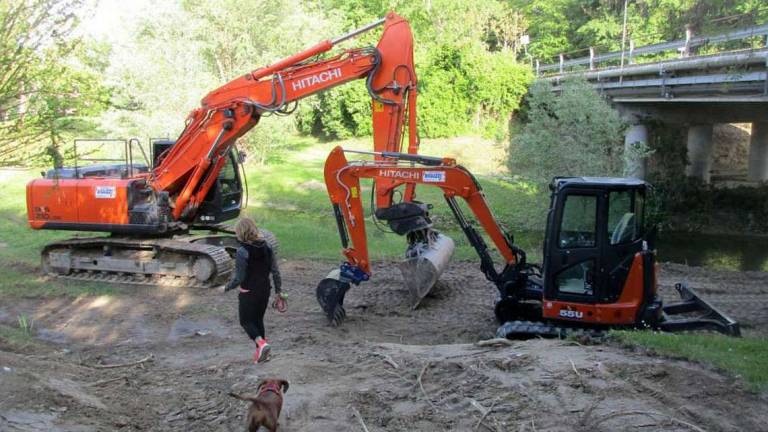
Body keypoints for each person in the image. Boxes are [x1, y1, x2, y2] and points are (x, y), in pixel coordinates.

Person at [223, 217, 286, 363]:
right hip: (265, 290)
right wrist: (278, 292)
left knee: (245, 321)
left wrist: (226, 287)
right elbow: (275, 272)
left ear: (240, 232)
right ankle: (262, 354)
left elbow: (239, 277)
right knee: (258, 320)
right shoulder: (268, 247)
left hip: (248, 292)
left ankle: (261, 343)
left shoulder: (242, 251)